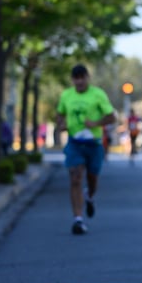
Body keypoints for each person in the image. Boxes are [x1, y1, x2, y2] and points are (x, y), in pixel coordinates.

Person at [56, 64, 116, 235]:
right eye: (76, 78)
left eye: (82, 77)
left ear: (87, 78)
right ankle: (78, 220)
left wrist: (96, 123)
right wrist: (61, 124)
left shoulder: (98, 94)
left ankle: (89, 196)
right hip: (75, 143)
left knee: (92, 180)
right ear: (73, 79)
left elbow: (112, 117)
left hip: (93, 144)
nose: (79, 81)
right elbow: (59, 113)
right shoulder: (66, 95)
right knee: (75, 177)